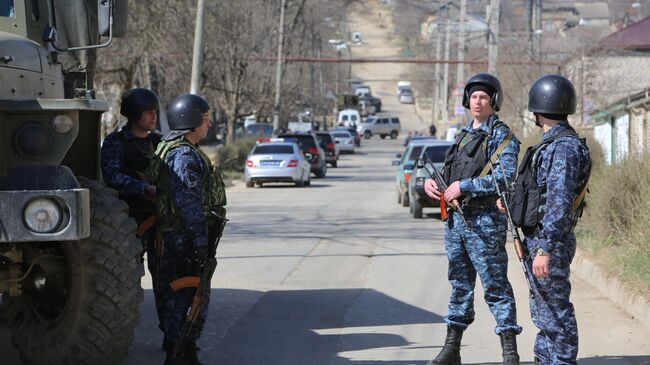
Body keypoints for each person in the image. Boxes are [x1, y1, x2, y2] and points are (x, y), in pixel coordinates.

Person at [424, 73, 522, 365]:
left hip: (485, 225)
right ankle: (452, 349)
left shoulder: (501, 136)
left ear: (493, 102)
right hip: (456, 223)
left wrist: (464, 187)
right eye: (474, 97)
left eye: (483, 97)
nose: (477, 102)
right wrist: (433, 186)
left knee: (496, 287)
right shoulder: (463, 135)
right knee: (459, 285)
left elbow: (504, 180)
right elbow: (450, 174)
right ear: (467, 101)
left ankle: (510, 352)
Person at [499, 75, 591, 365]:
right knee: (544, 311)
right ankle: (544, 359)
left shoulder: (562, 147)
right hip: (541, 238)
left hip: (550, 241)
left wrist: (545, 249)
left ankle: (562, 361)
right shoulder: (552, 144)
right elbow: (540, 195)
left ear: (537, 109)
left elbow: (558, 203)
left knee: (555, 310)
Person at [149, 94, 227, 365]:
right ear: (192, 122)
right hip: (182, 237)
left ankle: (183, 349)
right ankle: (180, 351)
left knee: (184, 295)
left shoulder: (178, 148)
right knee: (190, 295)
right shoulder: (182, 155)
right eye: (205, 119)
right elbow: (188, 204)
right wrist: (200, 244)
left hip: (180, 236)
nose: (209, 125)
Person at [100, 88, 165, 334]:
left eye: (155, 112)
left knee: (165, 281)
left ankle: (171, 337)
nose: (153, 117)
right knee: (125, 283)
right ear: (134, 114)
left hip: (159, 220)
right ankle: (118, 334)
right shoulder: (116, 142)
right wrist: (144, 188)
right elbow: (112, 176)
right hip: (127, 222)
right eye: (148, 112)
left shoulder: (158, 142)